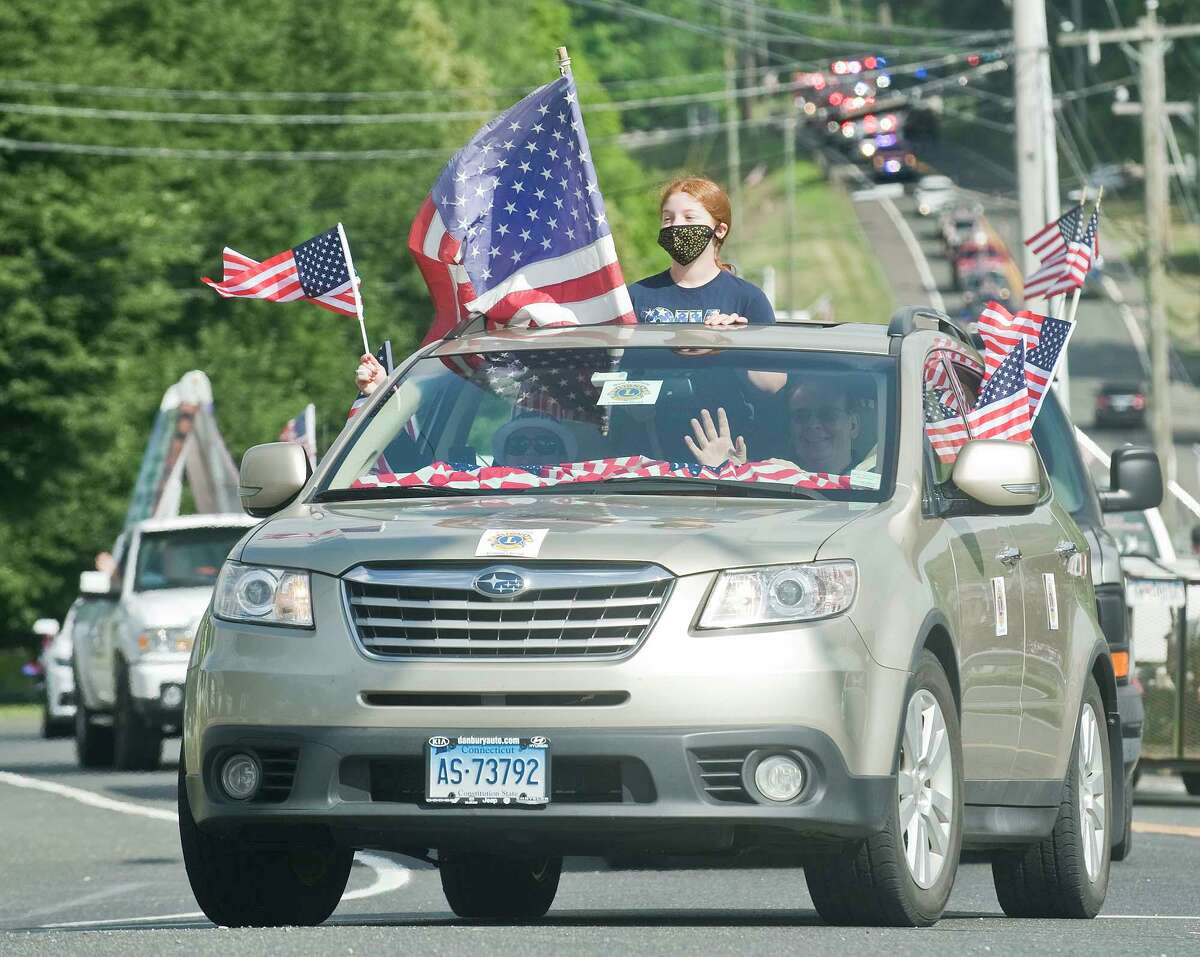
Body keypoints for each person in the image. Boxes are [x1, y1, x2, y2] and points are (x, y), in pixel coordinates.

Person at [630, 176, 775, 328]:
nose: (676, 225)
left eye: (689, 217)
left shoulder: (749, 300)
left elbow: (767, 350)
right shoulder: (635, 297)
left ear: (719, 230)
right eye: (668, 218)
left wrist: (735, 340)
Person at [684, 378, 864, 476]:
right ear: (791, 428)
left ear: (853, 425)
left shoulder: (877, 482)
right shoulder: (771, 476)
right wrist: (732, 476)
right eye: (802, 416)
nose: (813, 425)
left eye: (828, 415)